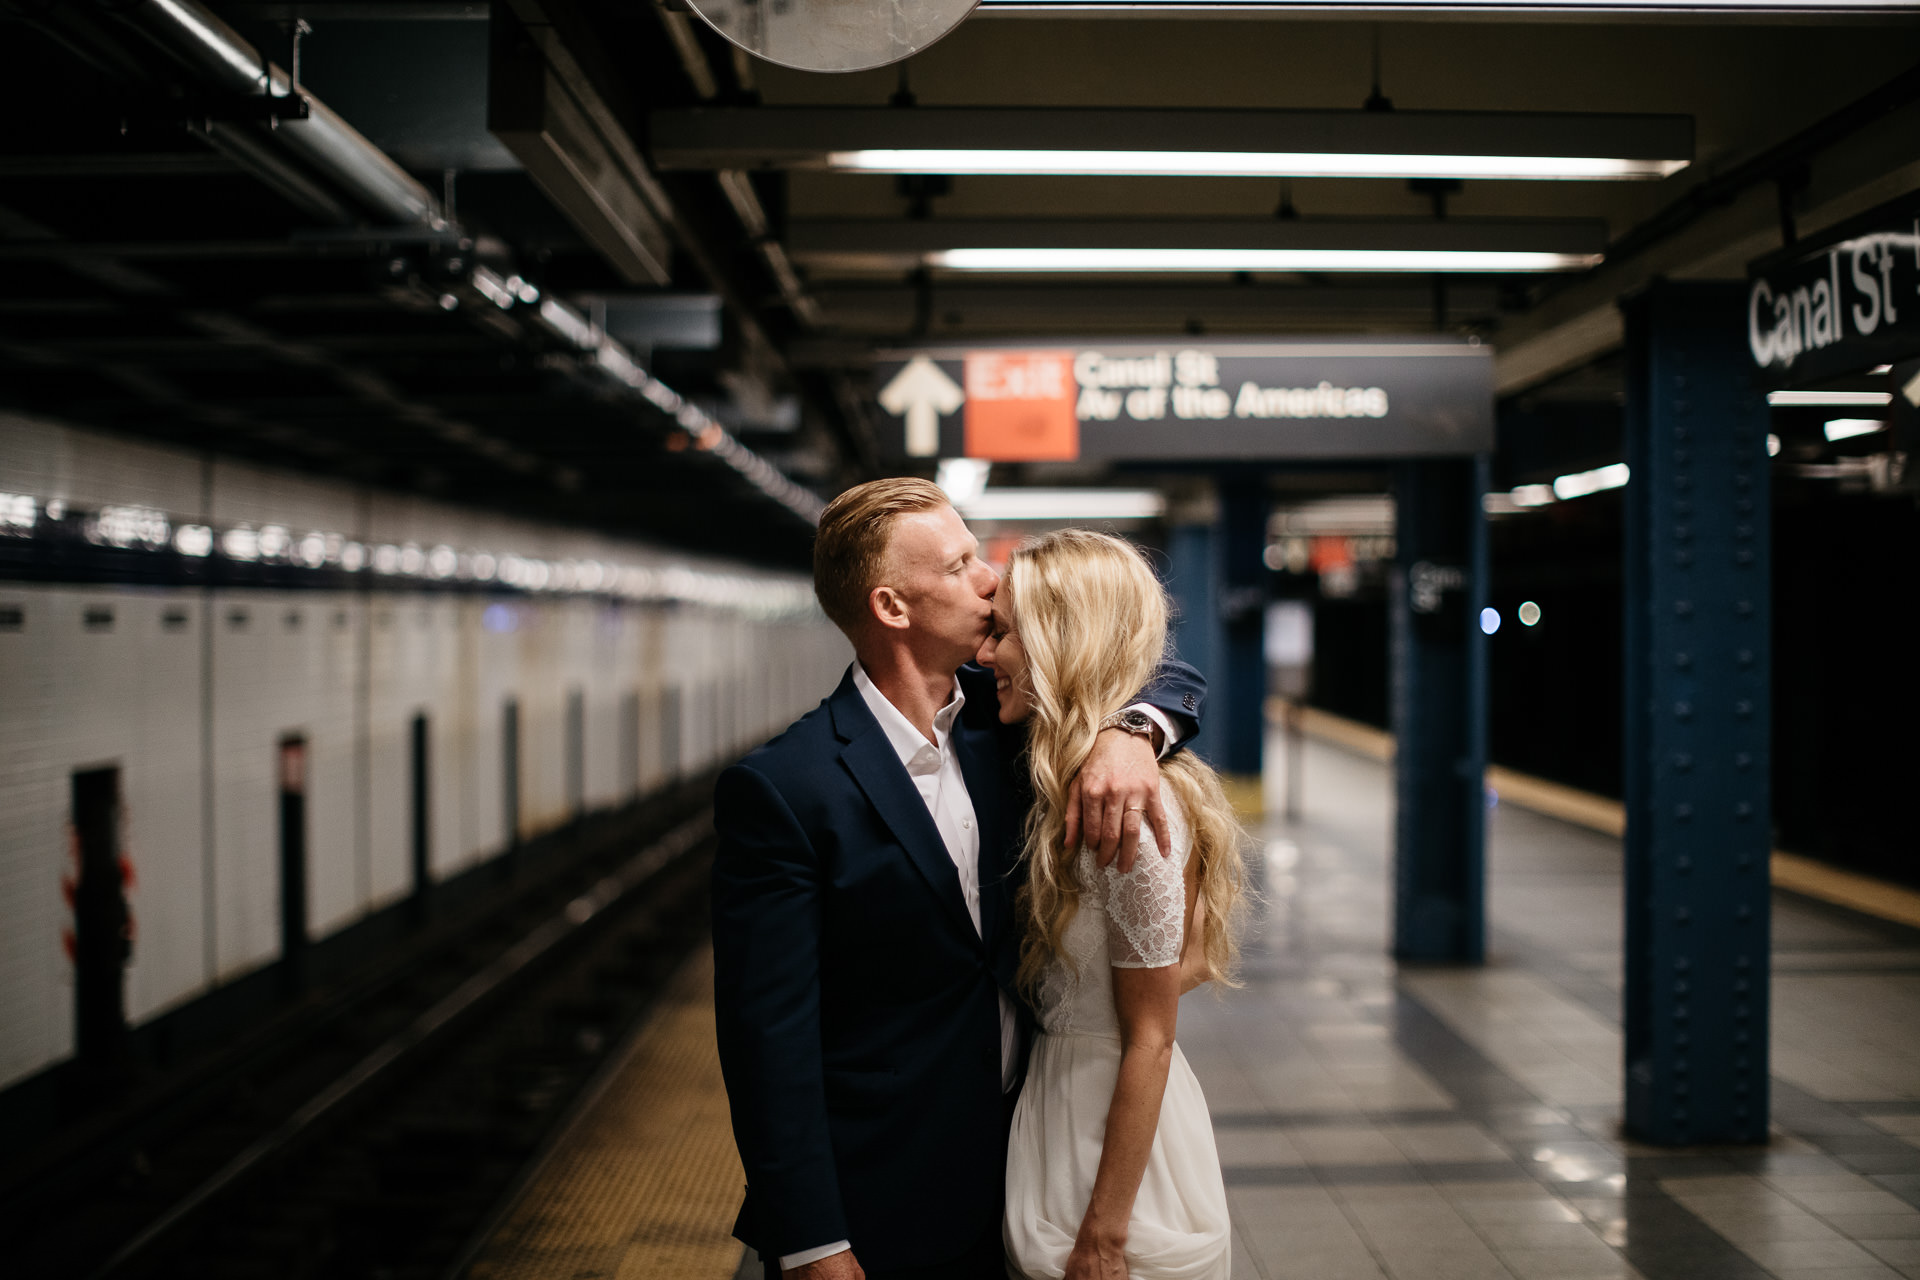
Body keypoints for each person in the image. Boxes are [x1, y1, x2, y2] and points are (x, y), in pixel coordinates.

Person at [712, 478, 1207, 1280]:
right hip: (879, 1198)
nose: (990, 577)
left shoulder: (1010, 720)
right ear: (892, 609)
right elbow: (767, 1039)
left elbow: (1159, 666)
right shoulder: (787, 789)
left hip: (1026, 1167)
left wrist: (1133, 731)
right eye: (960, 564)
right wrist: (811, 1241)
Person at [981, 529, 1244, 1280]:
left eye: (1004, 633)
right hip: (1058, 1105)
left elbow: (1152, 1037)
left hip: (1111, 1133)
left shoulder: (1127, 807)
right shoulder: (1073, 782)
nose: (987, 654)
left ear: (1059, 640)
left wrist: (1105, 1230)